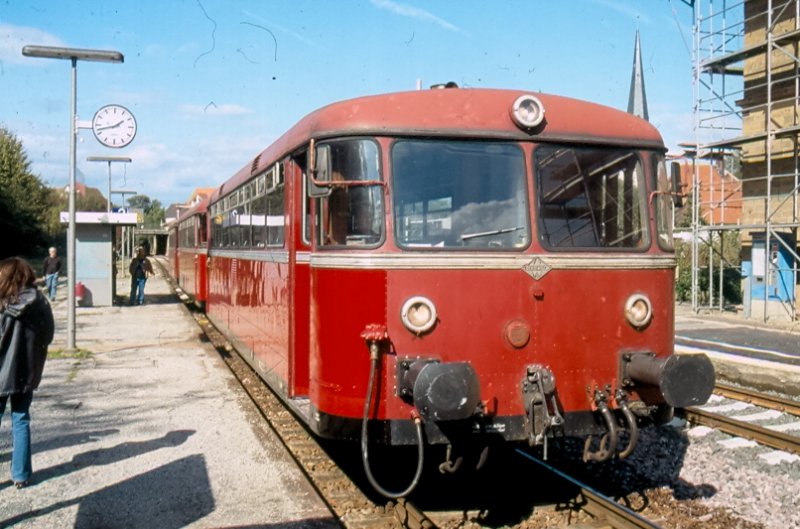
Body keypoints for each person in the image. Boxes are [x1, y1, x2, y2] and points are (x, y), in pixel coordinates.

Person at [0, 257, 55, 489]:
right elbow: (49, 335)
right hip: (27, 373)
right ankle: (21, 475)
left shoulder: (1, 304)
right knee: (21, 420)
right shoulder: (40, 302)